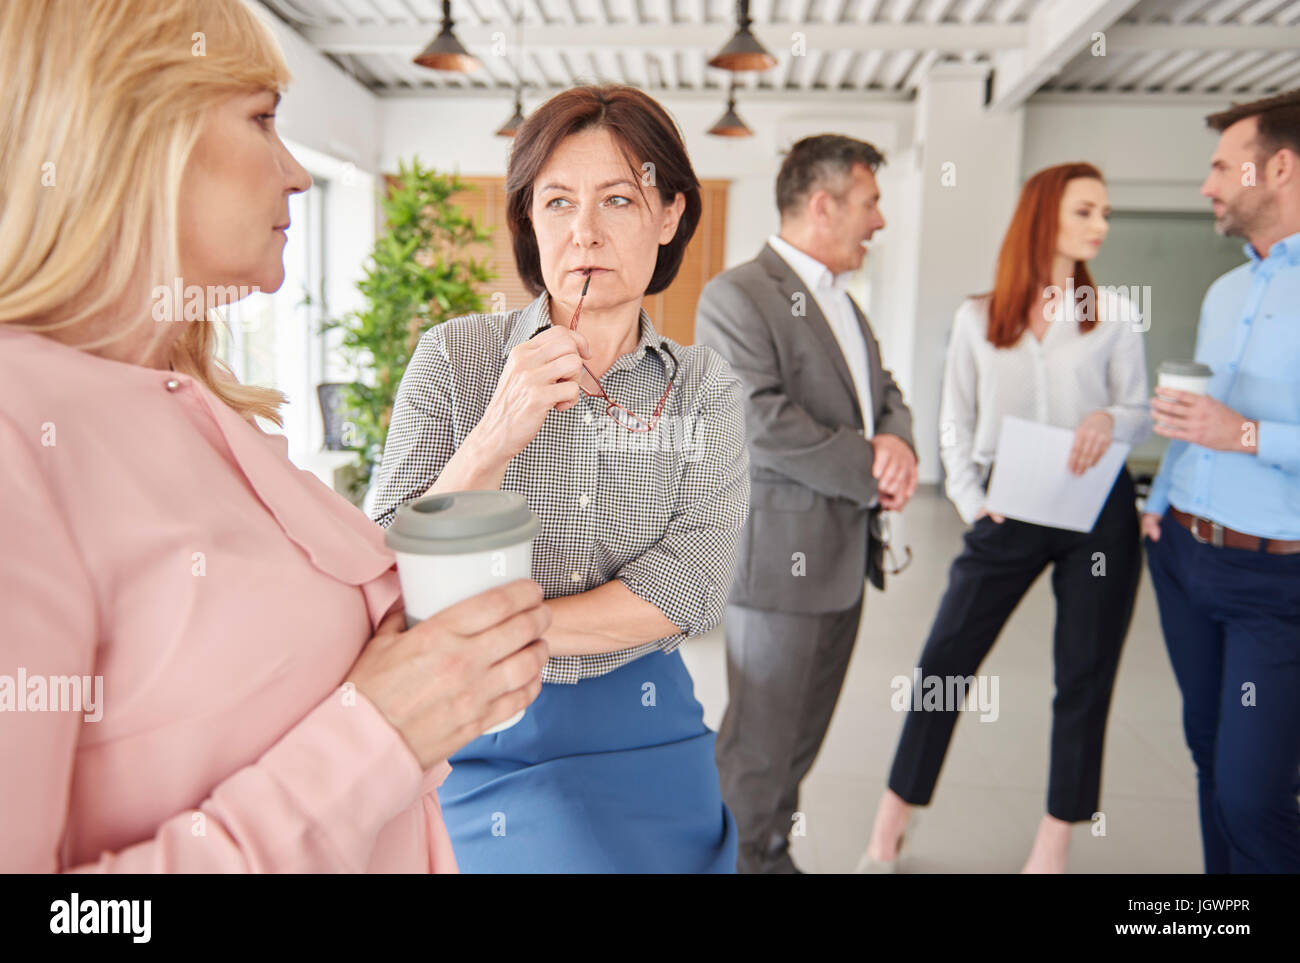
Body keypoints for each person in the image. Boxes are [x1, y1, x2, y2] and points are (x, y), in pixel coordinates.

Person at [0, 0, 550, 873]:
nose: (296, 174)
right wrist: (375, 740)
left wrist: (436, 674)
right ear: (129, 130)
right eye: (262, 119)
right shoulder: (18, 437)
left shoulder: (208, 407)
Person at [368, 83, 749, 873]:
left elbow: (695, 585)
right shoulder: (454, 357)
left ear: (670, 214)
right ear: (528, 221)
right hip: (470, 717)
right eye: (556, 203)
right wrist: (494, 435)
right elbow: (384, 562)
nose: (584, 234)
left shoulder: (707, 387)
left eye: (617, 199)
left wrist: (494, 624)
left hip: (644, 714)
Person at [860, 163, 1151, 874]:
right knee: (944, 663)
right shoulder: (976, 317)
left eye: (1106, 213)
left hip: (1097, 512)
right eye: (1086, 211)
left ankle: (1052, 844)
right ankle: (886, 829)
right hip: (1007, 504)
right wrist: (968, 499)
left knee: (1084, 674)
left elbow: (1139, 411)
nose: (1101, 227)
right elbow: (954, 419)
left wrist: (1110, 417)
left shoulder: (1114, 316)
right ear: (1044, 215)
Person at [694, 135, 918, 874]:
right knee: (758, 744)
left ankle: (769, 851)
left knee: (800, 738)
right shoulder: (736, 294)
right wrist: (872, 466)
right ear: (822, 204)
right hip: (775, 573)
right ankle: (732, 859)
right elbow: (757, 419)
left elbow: (884, 395)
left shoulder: (844, 305)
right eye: (870, 202)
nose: (878, 220)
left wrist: (901, 445)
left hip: (843, 561)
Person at [1141, 89, 1300, 874]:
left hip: (1278, 575)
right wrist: (1161, 504)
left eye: (1217, 166)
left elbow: (1227, 425)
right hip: (1184, 554)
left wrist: (1241, 433)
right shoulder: (1225, 290)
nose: (1206, 185)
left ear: (1279, 166)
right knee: (1209, 756)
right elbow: (1194, 417)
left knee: (1253, 794)